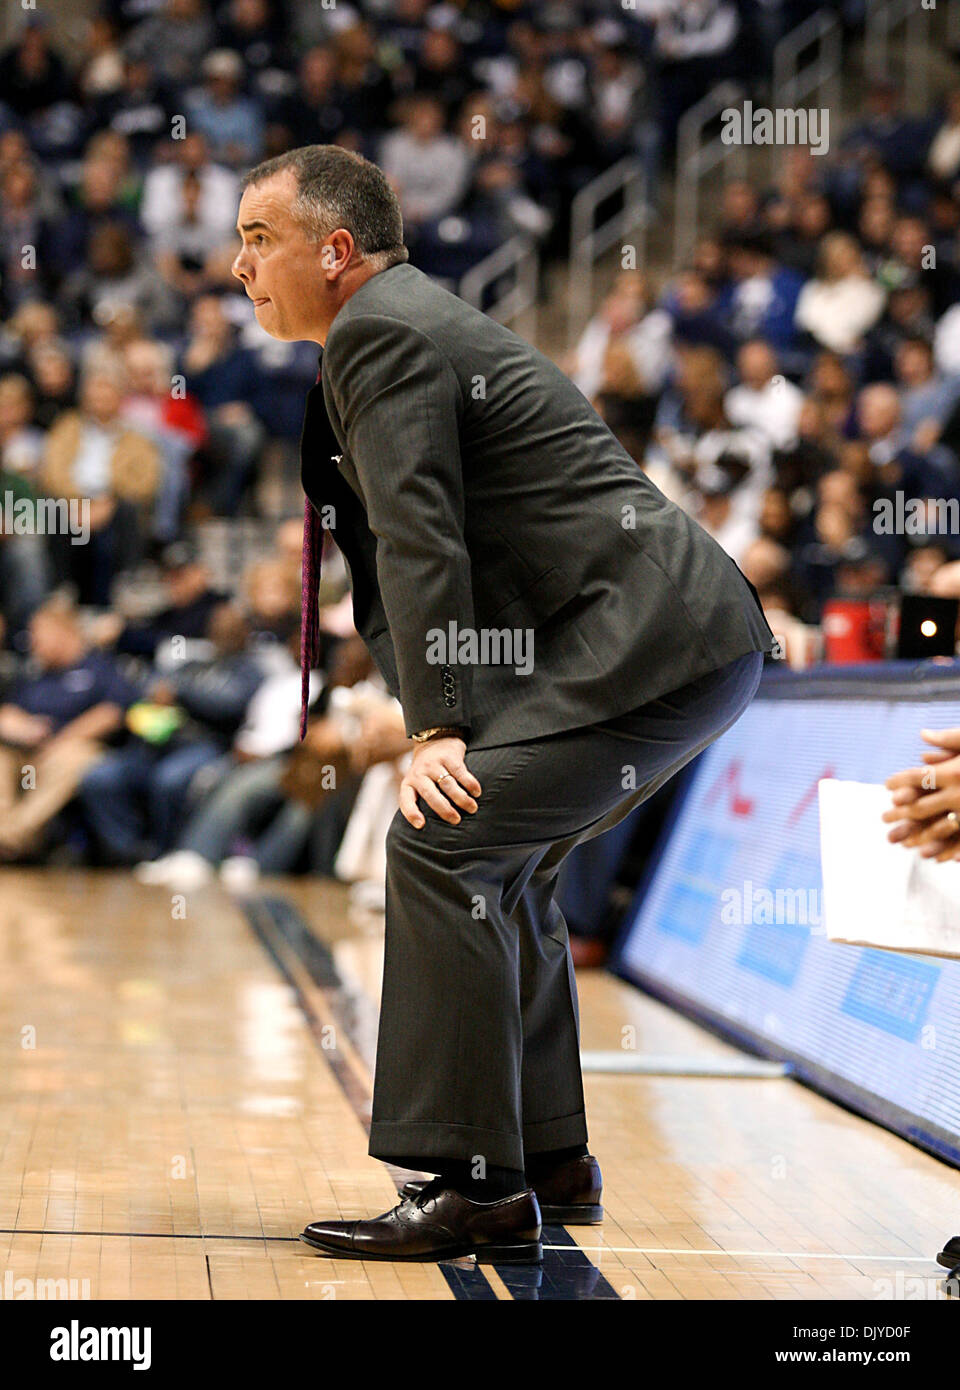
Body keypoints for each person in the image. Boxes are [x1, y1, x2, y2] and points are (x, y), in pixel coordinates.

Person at [232, 143, 776, 1265]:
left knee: (444, 840)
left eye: (258, 238)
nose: (238, 265)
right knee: (504, 862)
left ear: (335, 251)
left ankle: (472, 1183)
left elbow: (420, 534)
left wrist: (436, 727)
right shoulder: (397, 324)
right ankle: (546, 1156)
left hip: (648, 638)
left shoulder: (383, 330)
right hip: (669, 637)